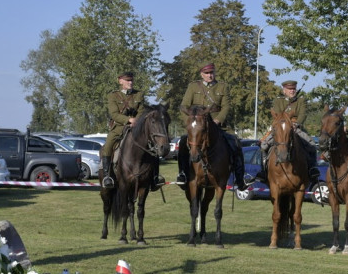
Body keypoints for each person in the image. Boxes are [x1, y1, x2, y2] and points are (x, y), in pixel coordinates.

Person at [174, 63, 247, 191]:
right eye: (207, 73)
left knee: (235, 143)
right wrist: (191, 123)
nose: (210, 75)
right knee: (183, 142)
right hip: (197, 127)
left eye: (212, 73)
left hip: (217, 126)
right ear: (201, 74)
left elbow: (226, 106)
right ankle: (183, 174)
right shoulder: (193, 87)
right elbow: (184, 106)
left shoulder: (222, 87)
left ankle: (240, 179)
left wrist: (219, 119)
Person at [247, 80, 321, 188]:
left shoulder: (301, 100)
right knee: (264, 146)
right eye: (290, 89)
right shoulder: (278, 101)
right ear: (284, 90)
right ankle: (263, 172)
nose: (292, 91)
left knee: (312, 145)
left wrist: (296, 124)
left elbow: (303, 114)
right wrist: (285, 123)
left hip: (296, 127)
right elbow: (277, 115)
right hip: (281, 128)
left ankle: (312, 170)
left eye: (294, 89)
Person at [99, 71, 163, 190]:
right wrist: (129, 120)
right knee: (108, 146)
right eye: (127, 80)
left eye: (131, 80)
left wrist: (137, 121)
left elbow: (141, 110)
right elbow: (114, 114)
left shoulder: (138, 94)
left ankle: (155, 177)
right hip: (119, 127)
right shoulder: (113, 96)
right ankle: (107, 176)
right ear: (120, 81)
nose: (130, 82)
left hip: (137, 127)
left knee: (153, 148)